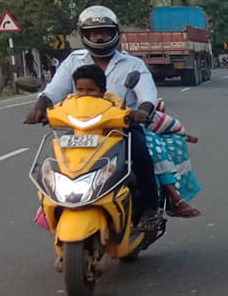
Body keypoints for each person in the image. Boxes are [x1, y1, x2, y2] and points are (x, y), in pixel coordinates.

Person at [26, 5, 161, 229]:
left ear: (115, 33)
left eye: (105, 32)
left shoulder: (133, 64)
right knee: (55, 163)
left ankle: (150, 209)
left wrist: (143, 112)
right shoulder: (73, 61)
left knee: (141, 156)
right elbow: (54, 90)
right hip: (81, 128)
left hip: (121, 127)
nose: (99, 37)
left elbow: (147, 94)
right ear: (84, 35)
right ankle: (52, 206)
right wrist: (39, 107)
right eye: (93, 33)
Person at [69, 65, 201, 218]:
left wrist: (134, 114)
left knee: (144, 156)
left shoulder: (113, 101)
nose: (85, 94)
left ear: (102, 91)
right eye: (80, 90)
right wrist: (44, 113)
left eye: (91, 90)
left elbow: (123, 110)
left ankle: (151, 207)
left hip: (115, 136)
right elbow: (58, 109)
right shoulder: (70, 101)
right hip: (81, 139)